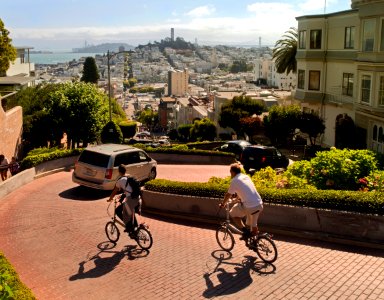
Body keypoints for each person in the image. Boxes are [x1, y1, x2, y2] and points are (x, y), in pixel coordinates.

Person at [219, 162, 263, 240]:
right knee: (253, 225)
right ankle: (256, 242)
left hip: (250, 206)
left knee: (233, 213)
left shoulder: (234, 180)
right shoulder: (246, 177)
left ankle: (245, 231)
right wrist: (237, 199)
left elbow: (228, 195)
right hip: (259, 204)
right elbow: (244, 190)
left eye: (230, 172)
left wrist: (223, 204)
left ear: (232, 172)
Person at [107, 164, 141, 237]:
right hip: (137, 198)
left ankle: (129, 227)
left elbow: (114, 191)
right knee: (130, 212)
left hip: (130, 200)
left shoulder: (120, 180)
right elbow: (129, 190)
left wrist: (110, 199)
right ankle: (135, 228)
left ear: (119, 172)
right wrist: (123, 196)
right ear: (125, 170)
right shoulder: (129, 176)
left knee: (119, 211)